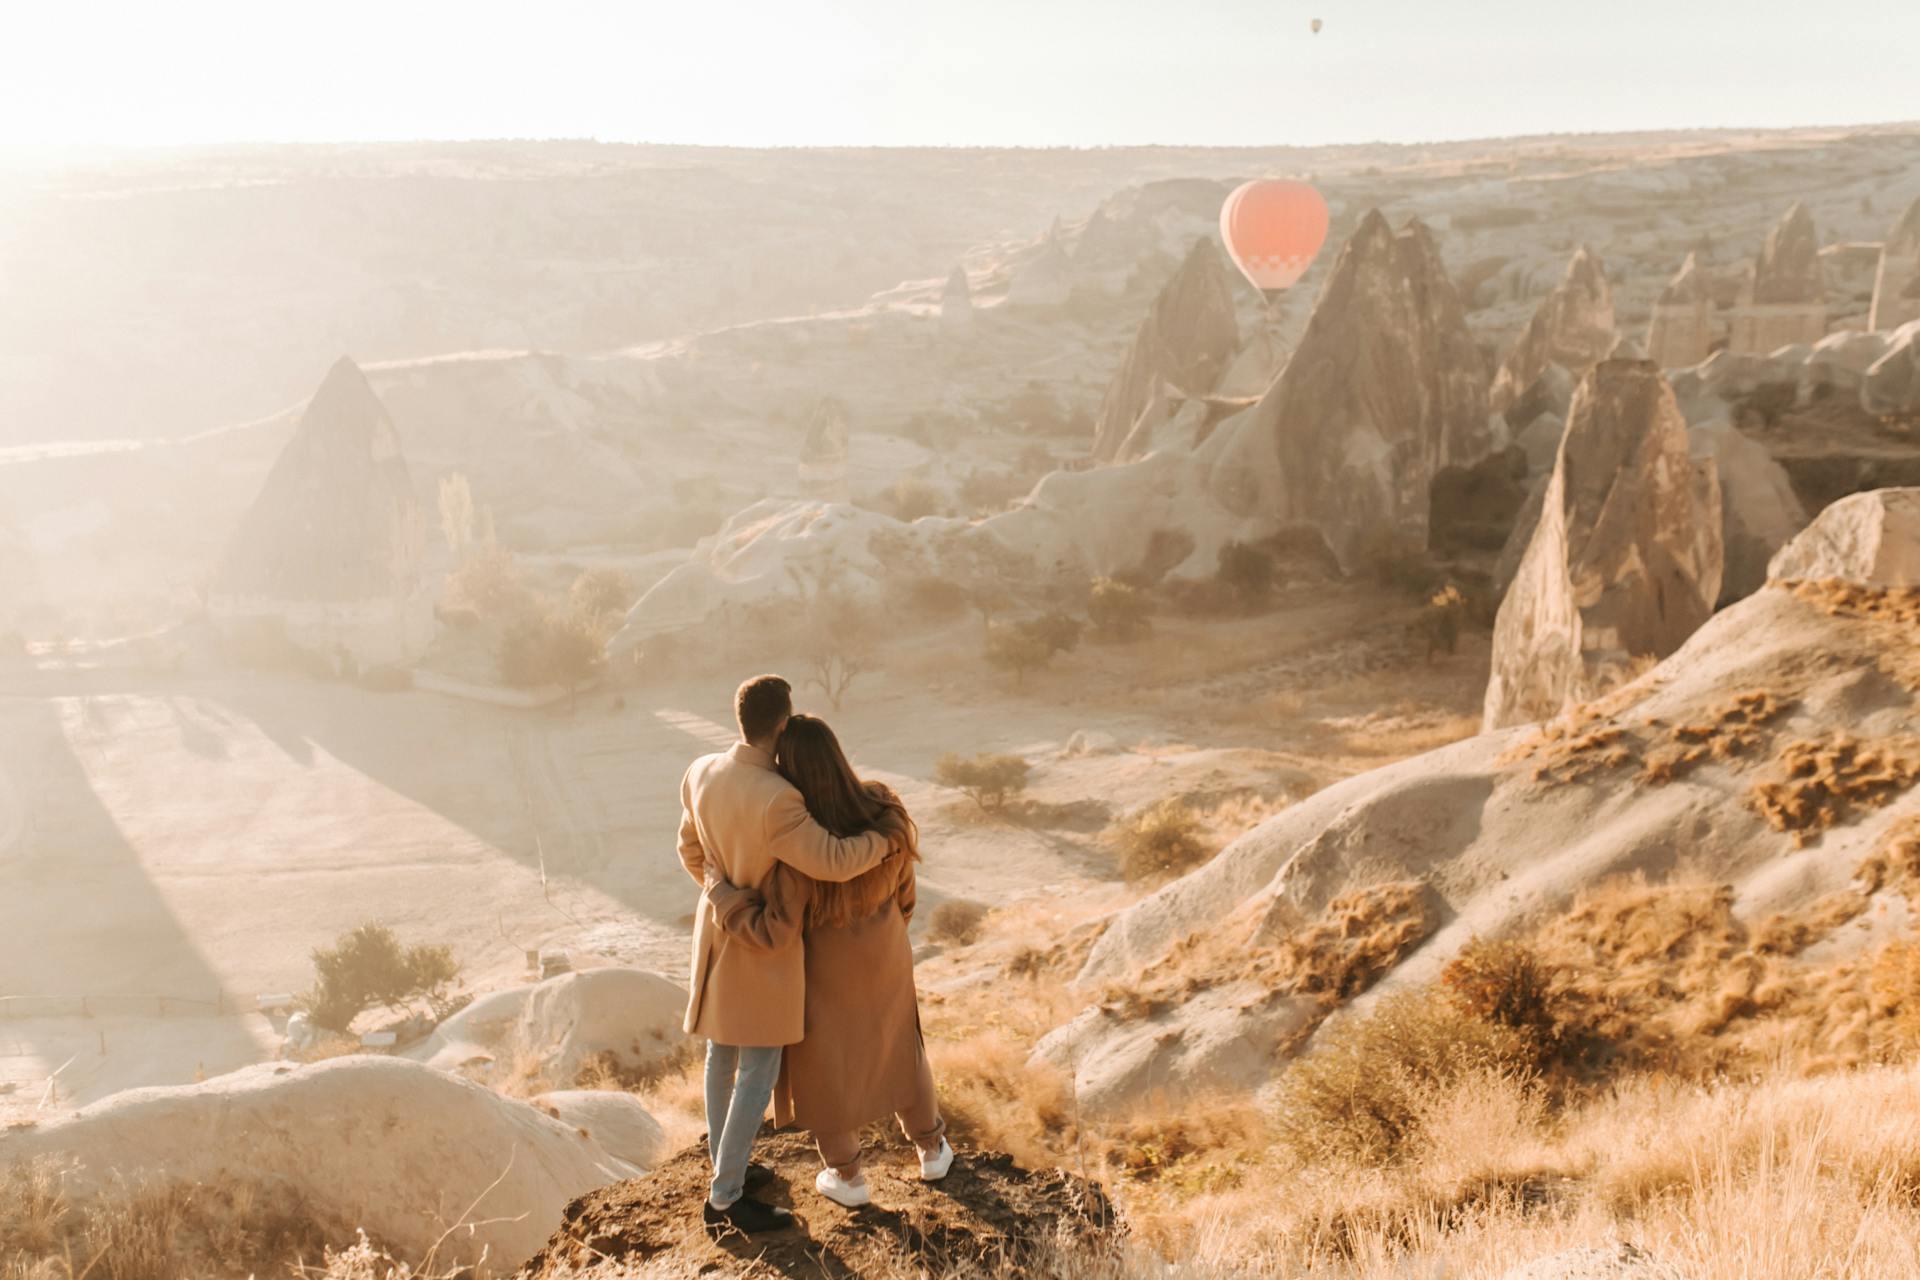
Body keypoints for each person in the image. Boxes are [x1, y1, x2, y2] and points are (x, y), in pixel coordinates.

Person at [707, 713, 954, 1209]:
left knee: (825, 1068)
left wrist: (723, 896)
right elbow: (906, 896)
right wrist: (885, 937)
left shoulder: (801, 847)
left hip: (823, 977)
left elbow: (773, 932)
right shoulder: (884, 806)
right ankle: (932, 1149)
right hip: (886, 955)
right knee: (901, 1045)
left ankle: (848, 1178)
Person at [676, 675, 894, 1234]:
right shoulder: (778, 797)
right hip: (761, 948)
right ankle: (726, 1199)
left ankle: (730, 1169)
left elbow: (690, 850)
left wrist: (719, 893)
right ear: (783, 722)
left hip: (716, 935)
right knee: (758, 1068)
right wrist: (886, 841)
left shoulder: (700, 771)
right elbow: (833, 861)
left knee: (720, 1059)